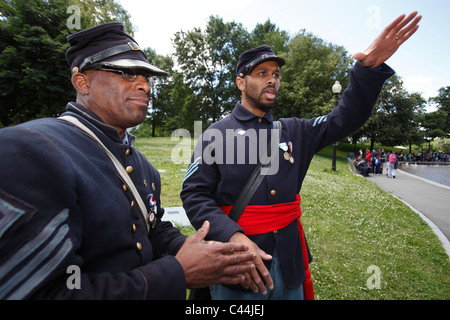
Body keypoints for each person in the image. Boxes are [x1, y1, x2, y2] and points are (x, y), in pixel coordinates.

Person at [0, 22, 258, 300]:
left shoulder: (143, 166)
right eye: (126, 73)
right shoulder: (30, 150)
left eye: (147, 77)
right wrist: (178, 272)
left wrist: (189, 248)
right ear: (82, 82)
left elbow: (150, 227)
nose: (145, 85)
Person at [181, 12, 421, 300]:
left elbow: (344, 118)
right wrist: (232, 236)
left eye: (276, 75)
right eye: (262, 74)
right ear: (240, 82)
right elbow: (194, 194)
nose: (272, 80)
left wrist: (367, 71)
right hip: (237, 267)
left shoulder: (296, 130)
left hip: (290, 260)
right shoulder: (214, 134)